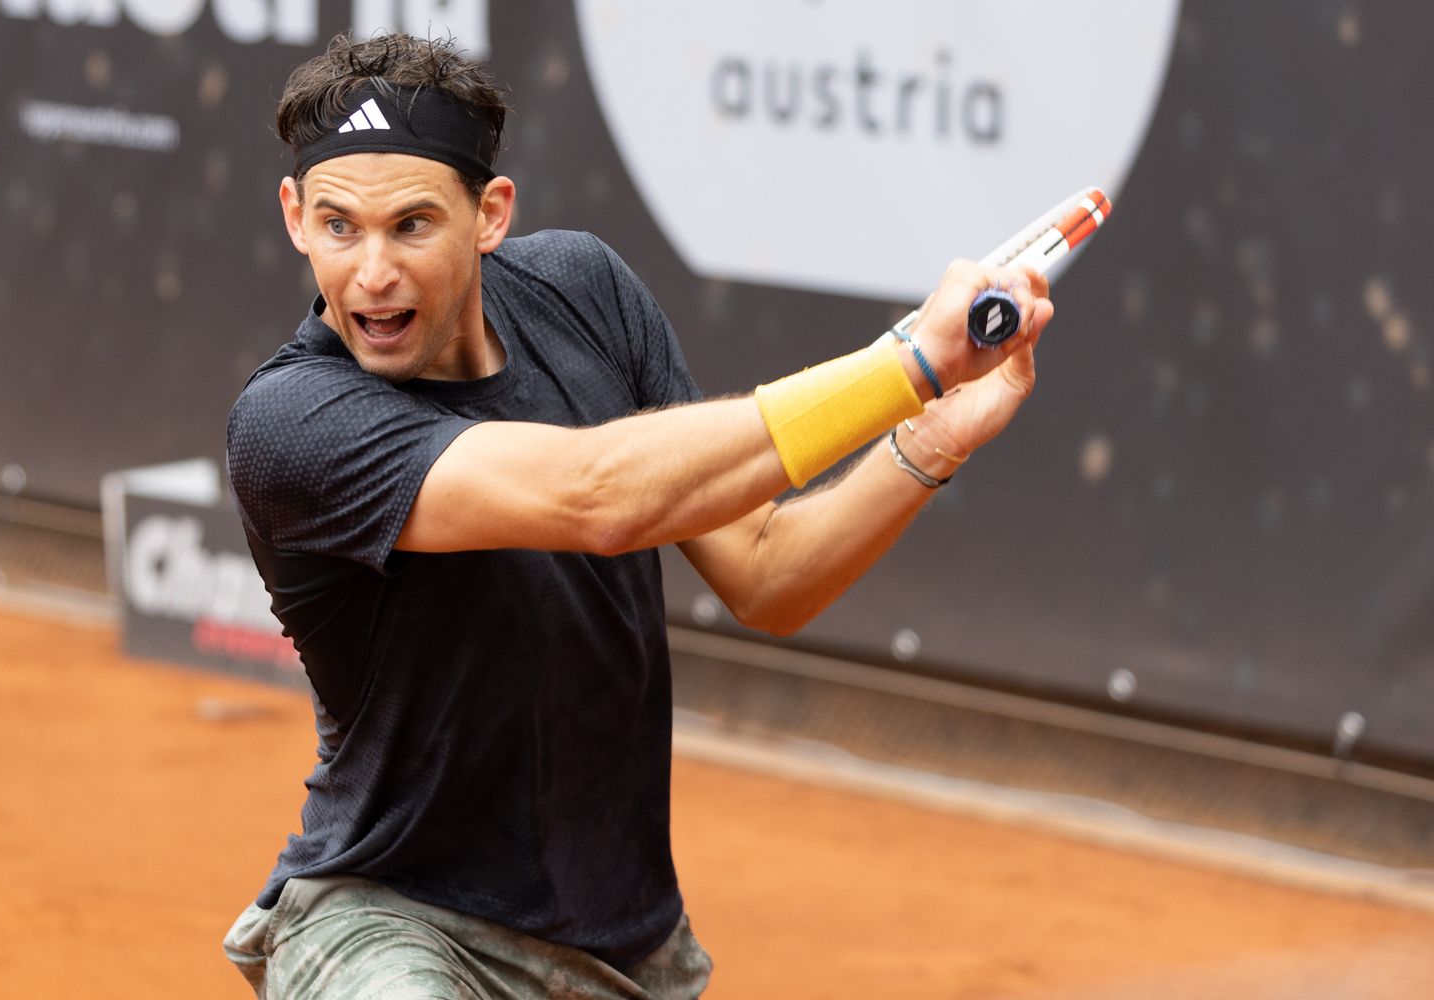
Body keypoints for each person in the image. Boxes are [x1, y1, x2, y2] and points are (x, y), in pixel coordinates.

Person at [222, 31, 1055, 1000]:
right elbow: (596, 495)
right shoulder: (291, 425)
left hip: (629, 946)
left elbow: (769, 570)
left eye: (411, 225)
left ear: (490, 214)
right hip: (392, 920)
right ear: (294, 217)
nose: (372, 273)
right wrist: (908, 366)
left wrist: (931, 436)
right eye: (339, 226)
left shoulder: (584, 291)